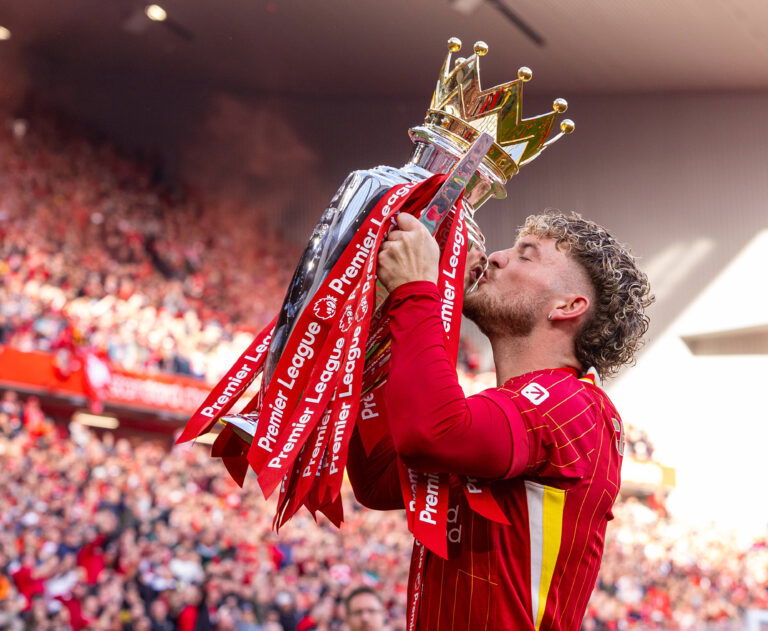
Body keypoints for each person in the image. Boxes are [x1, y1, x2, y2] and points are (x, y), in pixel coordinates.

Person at [347, 210, 652, 631]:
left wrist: (416, 292)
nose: (496, 257)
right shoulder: (503, 412)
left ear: (568, 306)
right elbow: (378, 480)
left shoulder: (576, 405)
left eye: (526, 256)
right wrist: (370, 329)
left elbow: (431, 434)